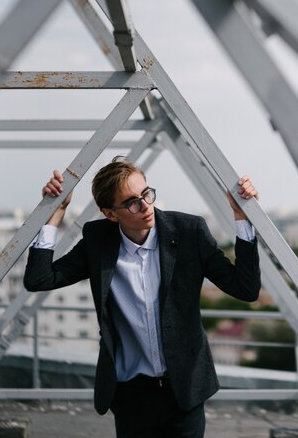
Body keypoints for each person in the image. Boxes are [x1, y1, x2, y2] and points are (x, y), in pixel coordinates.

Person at [24, 157, 261, 438]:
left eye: (147, 193)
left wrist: (242, 217)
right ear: (110, 214)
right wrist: (56, 212)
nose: (146, 206)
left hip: (183, 390)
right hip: (130, 395)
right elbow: (39, 279)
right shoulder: (99, 241)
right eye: (132, 202)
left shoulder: (188, 231)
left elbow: (246, 289)